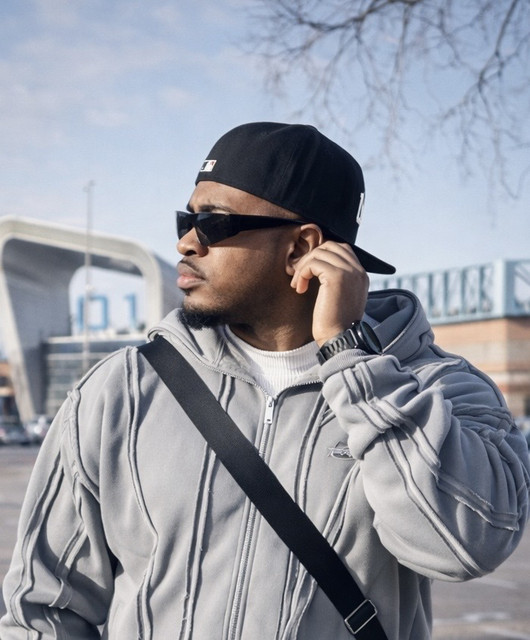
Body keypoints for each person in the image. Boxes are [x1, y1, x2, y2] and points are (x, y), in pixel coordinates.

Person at [1, 122, 529, 640]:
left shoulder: (439, 388)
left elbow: (463, 547)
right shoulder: (122, 390)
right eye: (186, 219)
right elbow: (42, 608)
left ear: (301, 248)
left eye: (213, 223)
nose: (186, 242)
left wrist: (350, 360)